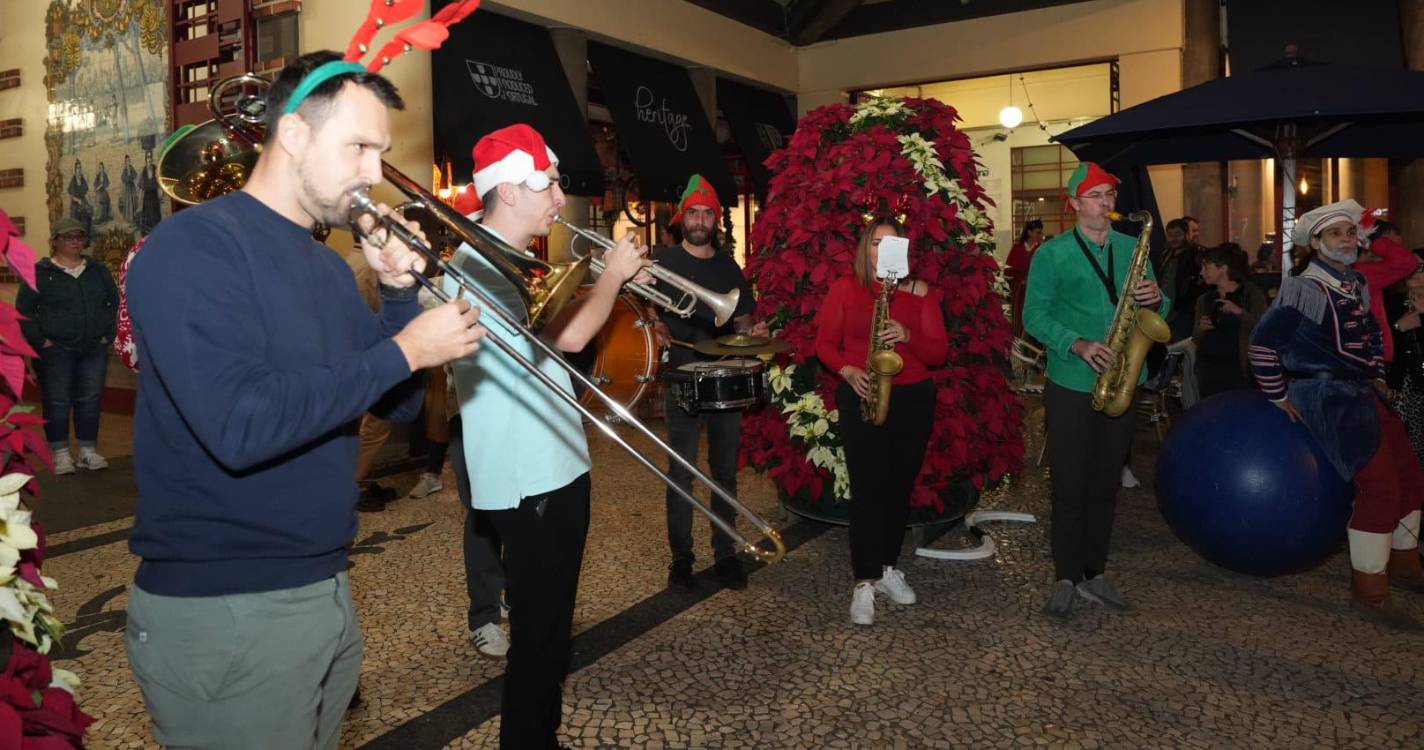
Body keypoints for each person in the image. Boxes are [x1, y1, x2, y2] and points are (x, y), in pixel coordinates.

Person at [122, 51, 485, 748]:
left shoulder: (321, 263)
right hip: (227, 605)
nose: (374, 174)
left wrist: (400, 298)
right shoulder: (193, 248)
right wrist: (407, 348)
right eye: (358, 147)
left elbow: (399, 407)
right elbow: (241, 425)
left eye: (379, 152)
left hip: (322, 585)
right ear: (292, 135)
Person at [446, 123, 650, 749]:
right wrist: (612, 279)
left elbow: (558, 343)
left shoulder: (515, 261)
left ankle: (543, 736)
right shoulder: (476, 264)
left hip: (555, 464)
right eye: (550, 184)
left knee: (551, 627)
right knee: (537, 637)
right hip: (527, 477)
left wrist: (609, 286)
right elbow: (565, 344)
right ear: (508, 190)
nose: (560, 198)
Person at [1248, 199, 1424, 631]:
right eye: (1335, 233)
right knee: (1380, 485)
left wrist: (1377, 376)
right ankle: (1370, 587)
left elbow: (1368, 339)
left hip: (1363, 393)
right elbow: (1261, 345)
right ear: (1315, 243)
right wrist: (1277, 396)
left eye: (1349, 232)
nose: (1346, 239)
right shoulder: (1304, 288)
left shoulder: (1355, 283)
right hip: (1327, 396)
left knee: (1411, 472)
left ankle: (1404, 561)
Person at [1023, 162, 1167, 622]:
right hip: (1071, 381)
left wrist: (1156, 298)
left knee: (1105, 483)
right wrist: (1078, 344)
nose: (1107, 204)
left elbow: (1162, 307)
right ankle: (1066, 576)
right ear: (1074, 204)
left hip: (1124, 378)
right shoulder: (1052, 254)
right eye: (1097, 196)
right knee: (1069, 483)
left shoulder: (1132, 248)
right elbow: (1034, 317)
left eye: (1110, 195)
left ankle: (1095, 571)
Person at [816, 217, 949, 626]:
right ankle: (864, 580)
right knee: (868, 486)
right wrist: (847, 371)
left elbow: (938, 354)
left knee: (898, 486)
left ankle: (889, 567)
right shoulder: (845, 288)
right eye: (876, 243)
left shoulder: (921, 292)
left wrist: (907, 334)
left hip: (913, 398)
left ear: (902, 252)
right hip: (863, 392)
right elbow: (823, 343)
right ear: (865, 249)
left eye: (891, 244)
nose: (882, 251)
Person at [651, 174, 761, 592]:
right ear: (683, 217)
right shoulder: (661, 262)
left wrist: (753, 330)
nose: (700, 219)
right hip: (681, 377)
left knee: (725, 473)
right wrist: (652, 324)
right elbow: (640, 311)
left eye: (707, 213)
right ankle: (681, 559)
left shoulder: (728, 267)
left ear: (716, 220)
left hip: (724, 377)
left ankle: (726, 554)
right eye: (693, 211)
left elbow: (744, 319)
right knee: (681, 472)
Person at [16, 217, 120, 475]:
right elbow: (24, 311)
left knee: (90, 399)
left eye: (80, 237)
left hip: (93, 347)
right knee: (57, 400)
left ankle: (87, 451)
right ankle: (60, 454)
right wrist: (42, 341)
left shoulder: (98, 271)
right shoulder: (39, 273)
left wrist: (109, 333)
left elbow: (114, 304)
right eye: (68, 237)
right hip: (55, 350)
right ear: (55, 242)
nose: (75, 242)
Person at [1192, 243, 1267, 399]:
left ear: (1223, 268)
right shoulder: (1204, 299)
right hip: (1209, 370)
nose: (1201, 272)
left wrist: (1239, 312)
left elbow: (1264, 331)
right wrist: (1201, 329)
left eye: (1206, 267)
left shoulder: (1251, 294)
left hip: (1240, 370)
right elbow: (1196, 339)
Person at [1005, 219, 1043, 339]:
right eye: (1038, 232)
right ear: (1029, 232)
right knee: (1018, 317)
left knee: (1034, 316)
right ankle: (1017, 346)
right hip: (1018, 290)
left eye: (1041, 233)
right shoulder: (1017, 248)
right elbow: (1008, 268)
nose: (1040, 236)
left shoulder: (1041, 249)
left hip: (1035, 291)